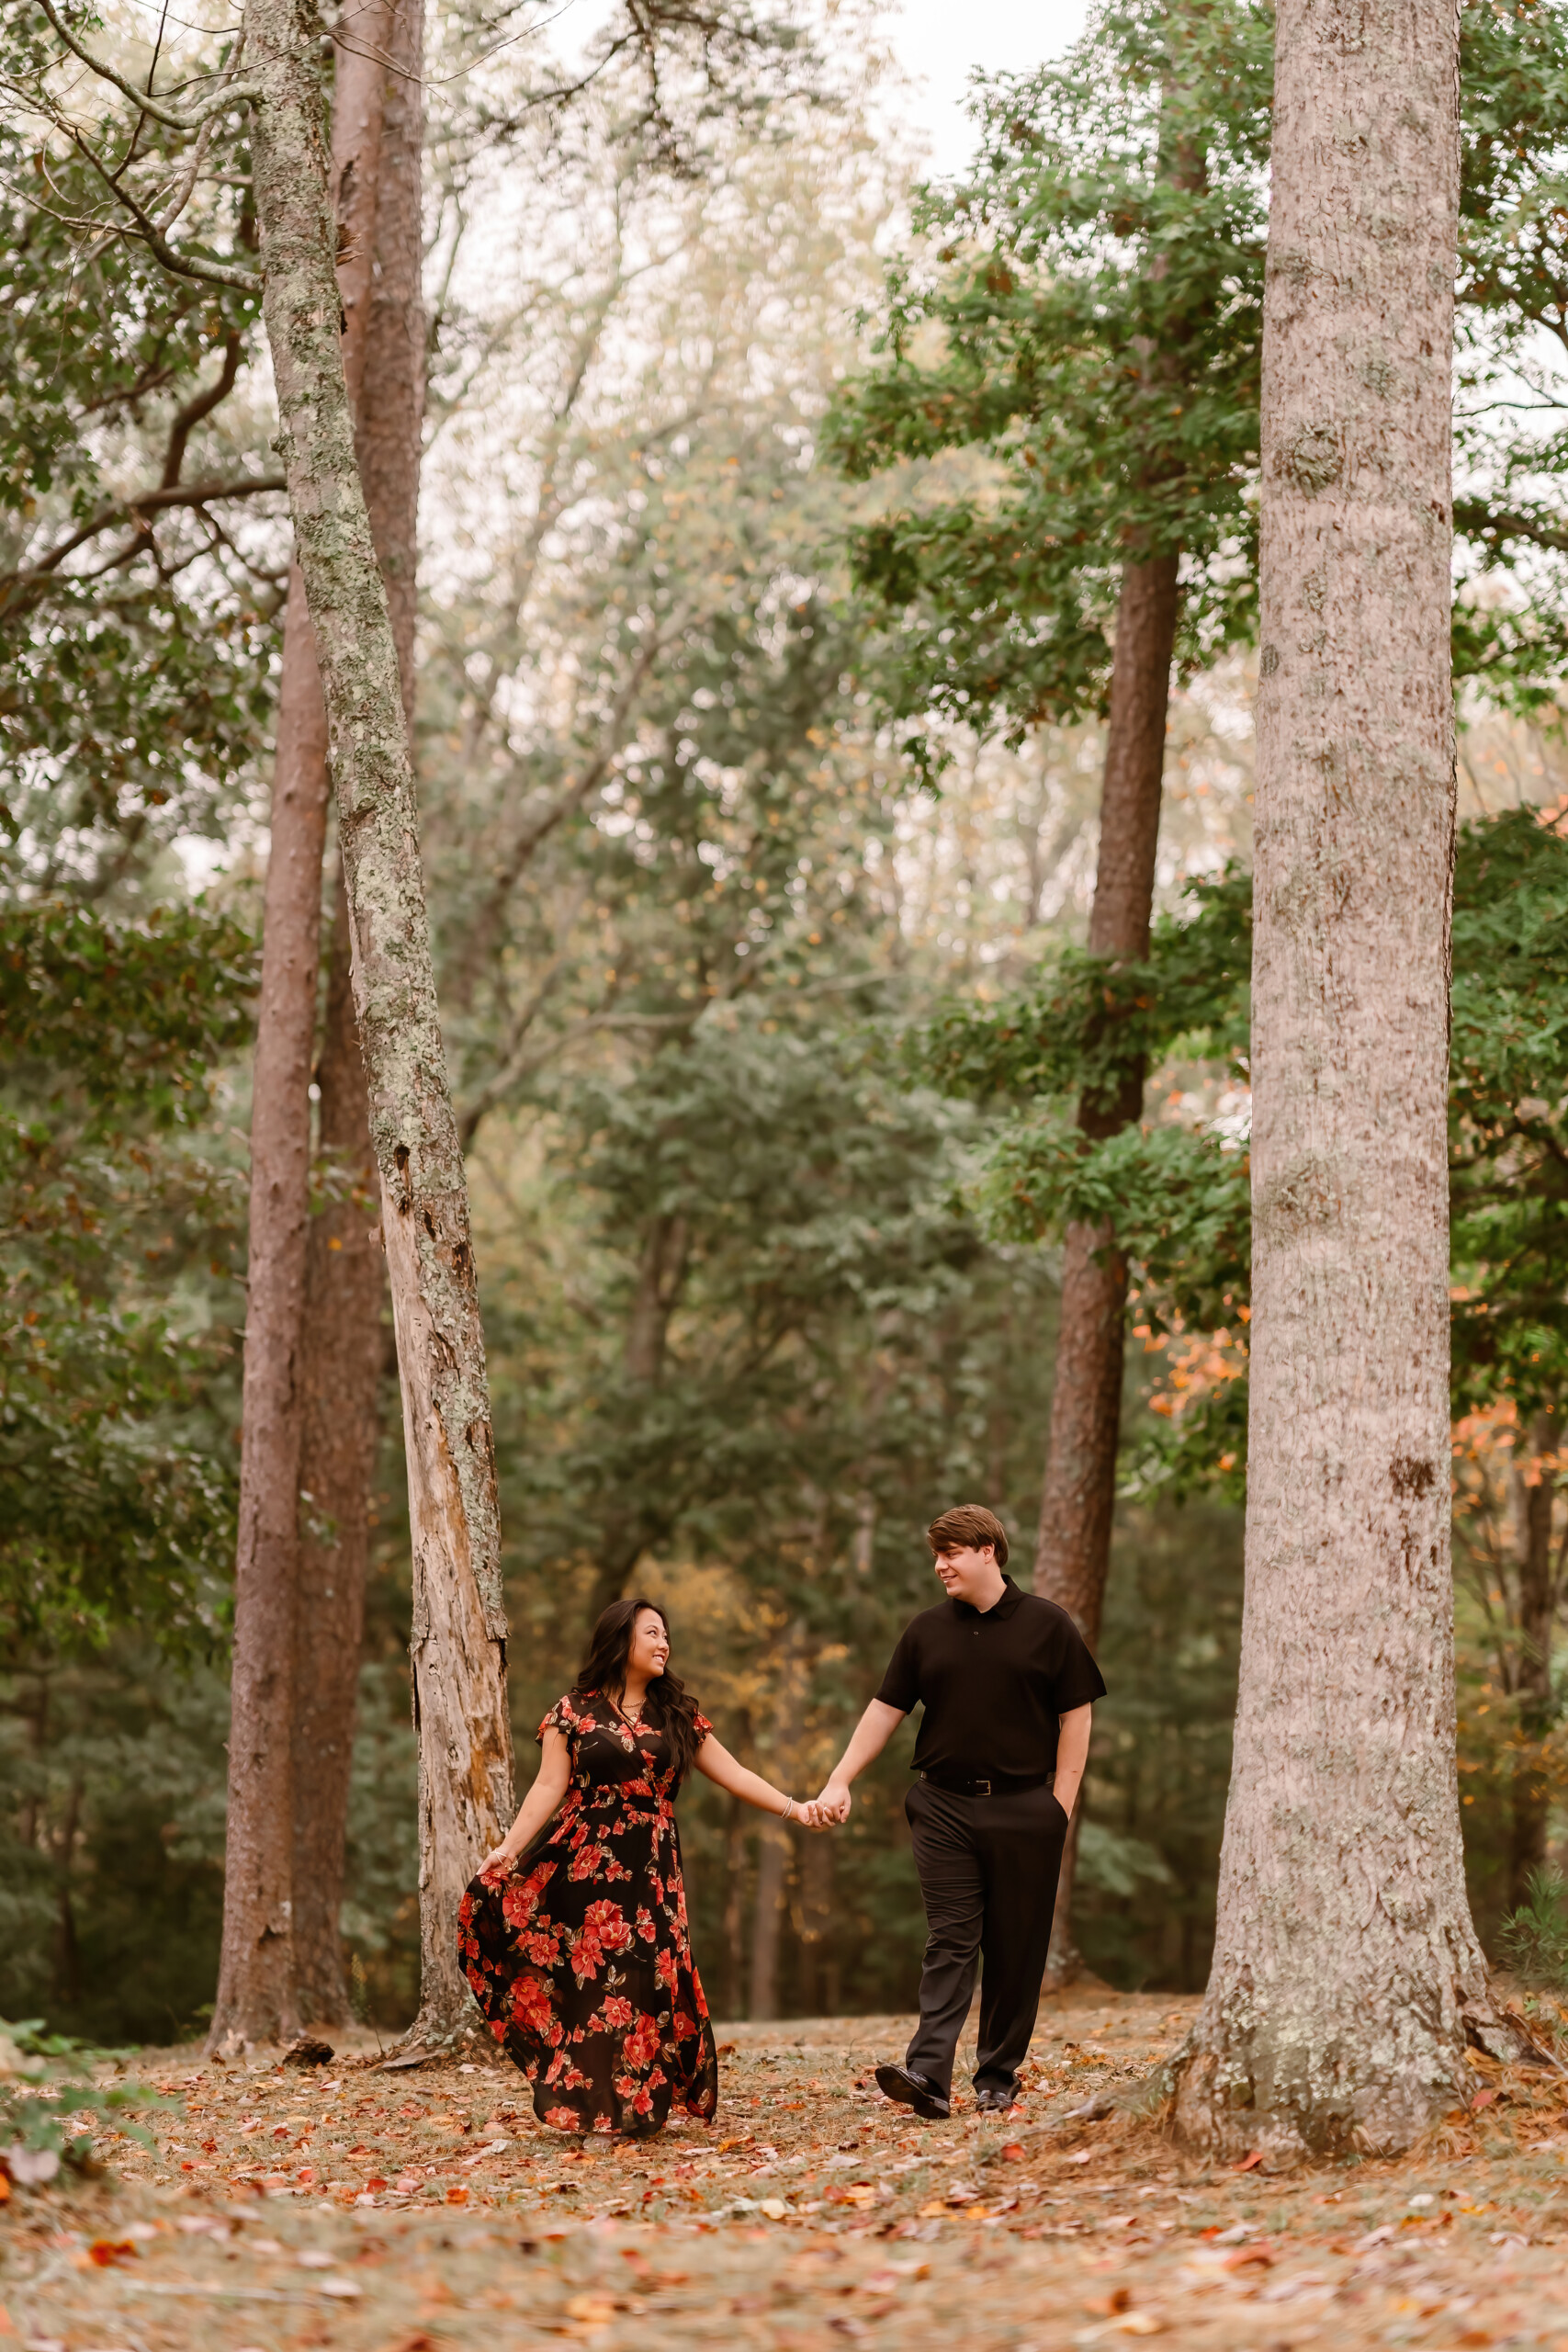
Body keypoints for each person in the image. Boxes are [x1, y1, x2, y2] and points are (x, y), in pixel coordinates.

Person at [457, 1595, 822, 2136]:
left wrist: (797, 1808)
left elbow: (738, 1774)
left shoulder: (677, 1715)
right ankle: (588, 2096)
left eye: (666, 1634)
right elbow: (548, 1786)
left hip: (652, 1865)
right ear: (622, 1638)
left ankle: (640, 2101)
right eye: (652, 1633)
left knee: (648, 1974)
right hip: (586, 1860)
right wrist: (508, 1850)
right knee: (594, 1976)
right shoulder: (572, 1711)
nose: (664, 1643)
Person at [813, 1504, 1105, 2120]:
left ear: (987, 1553)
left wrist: (1061, 1806)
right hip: (941, 1804)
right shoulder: (925, 1632)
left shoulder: (1048, 1626)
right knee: (951, 1937)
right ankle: (928, 2074)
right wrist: (840, 1778)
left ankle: (997, 2076)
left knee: (1015, 1946)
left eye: (950, 1553)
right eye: (936, 1555)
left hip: (1027, 1806)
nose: (940, 1566)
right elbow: (883, 1711)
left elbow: (1076, 1716)